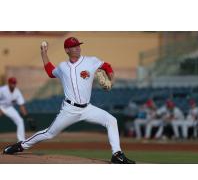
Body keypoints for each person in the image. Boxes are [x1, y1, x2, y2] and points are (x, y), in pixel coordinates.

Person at [3, 37, 135, 164]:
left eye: (78, 45)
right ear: (67, 50)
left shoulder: (90, 61)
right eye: (74, 46)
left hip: (87, 108)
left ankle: (117, 154)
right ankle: (21, 146)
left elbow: (107, 66)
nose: (77, 48)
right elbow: (50, 71)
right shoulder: (62, 67)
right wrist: (44, 53)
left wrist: (111, 80)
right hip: (69, 109)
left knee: (111, 120)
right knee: (49, 133)